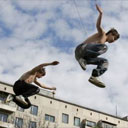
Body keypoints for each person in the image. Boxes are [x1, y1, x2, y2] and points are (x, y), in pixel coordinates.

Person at [75, 4, 120, 88]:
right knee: (104, 47)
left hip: (84, 58)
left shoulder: (102, 46)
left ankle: (94, 76)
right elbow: (98, 26)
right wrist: (101, 14)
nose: (113, 41)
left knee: (105, 62)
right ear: (110, 34)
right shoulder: (102, 33)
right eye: (114, 38)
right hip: (81, 49)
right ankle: (83, 60)